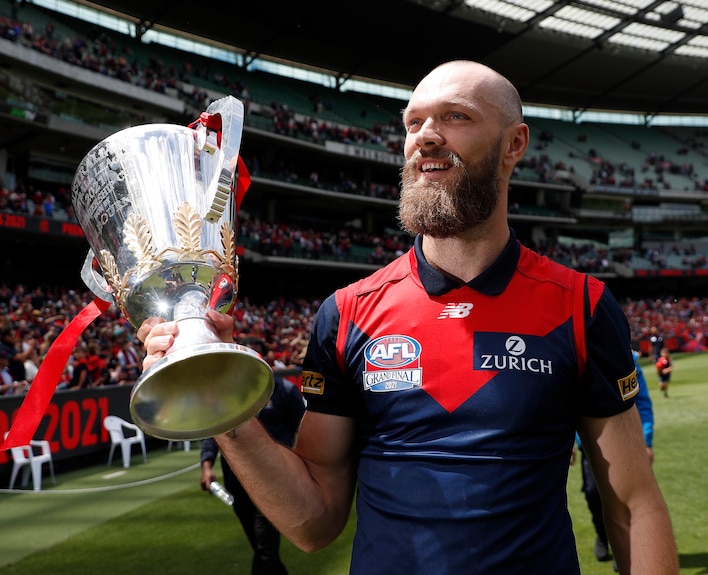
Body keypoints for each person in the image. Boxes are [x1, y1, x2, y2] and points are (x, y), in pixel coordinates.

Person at [138, 60, 677, 575]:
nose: (426, 134)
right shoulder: (346, 314)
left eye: (456, 116)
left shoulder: (580, 305)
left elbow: (632, 503)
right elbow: (313, 524)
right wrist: (220, 403)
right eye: (414, 122)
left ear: (515, 144)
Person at [200, 336, 305, 575]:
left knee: (264, 543)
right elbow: (213, 432)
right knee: (258, 542)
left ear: (265, 358)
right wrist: (207, 465)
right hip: (236, 478)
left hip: (274, 478)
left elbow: (303, 425)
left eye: (257, 354)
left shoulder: (283, 390)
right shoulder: (226, 394)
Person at [575, 349, 655, 572]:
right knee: (592, 493)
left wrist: (646, 442)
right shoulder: (575, 353)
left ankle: (624, 549)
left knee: (626, 498)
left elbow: (643, 404)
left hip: (625, 444)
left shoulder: (627, 362)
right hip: (589, 445)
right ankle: (602, 535)